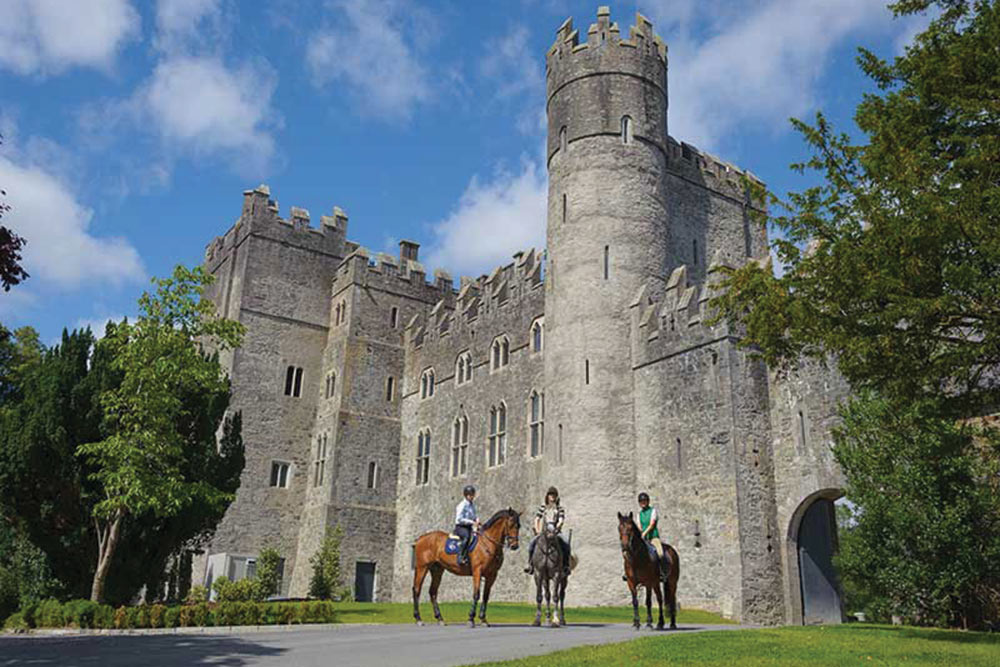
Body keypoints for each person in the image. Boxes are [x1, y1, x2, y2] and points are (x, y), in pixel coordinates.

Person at [524, 486, 571, 576]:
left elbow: (561, 520)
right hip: (544, 532)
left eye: (554, 495)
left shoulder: (559, 508)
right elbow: (537, 519)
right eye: (550, 494)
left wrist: (557, 528)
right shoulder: (543, 507)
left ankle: (566, 566)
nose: (552, 496)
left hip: (556, 532)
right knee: (531, 544)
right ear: (547, 496)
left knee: (566, 544)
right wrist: (537, 530)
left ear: (556, 496)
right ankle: (530, 565)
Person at [638, 491, 669, 581]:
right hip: (643, 539)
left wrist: (644, 533)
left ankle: (662, 573)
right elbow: (639, 526)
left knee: (660, 553)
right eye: (641, 501)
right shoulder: (638, 514)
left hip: (653, 537)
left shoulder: (653, 511)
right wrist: (641, 533)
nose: (643, 503)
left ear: (648, 501)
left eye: (644, 501)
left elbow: (652, 524)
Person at [454, 484, 479, 566]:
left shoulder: (472, 505)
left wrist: (477, 520)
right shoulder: (462, 505)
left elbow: (474, 516)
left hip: (469, 526)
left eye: (473, 495)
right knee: (466, 537)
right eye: (471, 495)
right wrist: (472, 522)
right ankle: (460, 557)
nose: (472, 497)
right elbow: (459, 519)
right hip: (461, 527)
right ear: (466, 495)